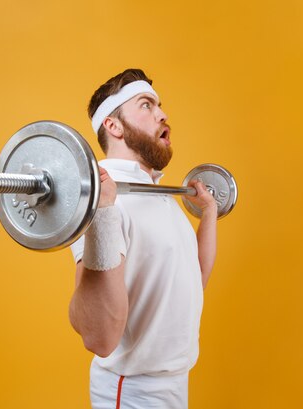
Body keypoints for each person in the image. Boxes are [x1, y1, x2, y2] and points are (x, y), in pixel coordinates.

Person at [69, 68, 218, 409]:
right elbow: (99, 337)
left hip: (175, 383)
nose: (163, 114)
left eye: (159, 105)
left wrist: (208, 214)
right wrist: (102, 212)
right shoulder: (103, 202)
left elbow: (193, 281)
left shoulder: (158, 195)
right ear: (114, 125)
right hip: (132, 391)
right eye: (147, 105)